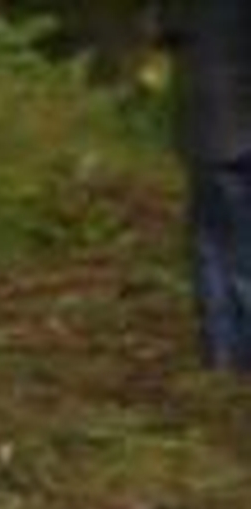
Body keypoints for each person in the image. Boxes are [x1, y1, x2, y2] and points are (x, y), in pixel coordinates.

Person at [161, 0, 251, 372]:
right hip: (226, 125)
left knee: (215, 246)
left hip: (213, 129)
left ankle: (226, 355)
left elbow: (162, 31)